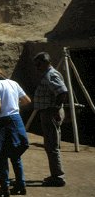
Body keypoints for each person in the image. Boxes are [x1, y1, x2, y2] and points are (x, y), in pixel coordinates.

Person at [0, 66, 31, 197]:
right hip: (16, 119)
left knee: (2, 155)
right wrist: (14, 106)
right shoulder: (13, 83)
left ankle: (5, 188)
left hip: (3, 121)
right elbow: (27, 100)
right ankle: (21, 185)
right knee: (16, 154)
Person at [32, 52, 68, 187]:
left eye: (38, 64)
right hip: (49, 112)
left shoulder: (51, 74)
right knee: (52, 145)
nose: (37, 67)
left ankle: (58, 177)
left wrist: (54, 109)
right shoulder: (48, 74)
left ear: (46, 62)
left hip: (50, 112)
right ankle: (56, 174)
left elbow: (62, 92)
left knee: (52, 146)